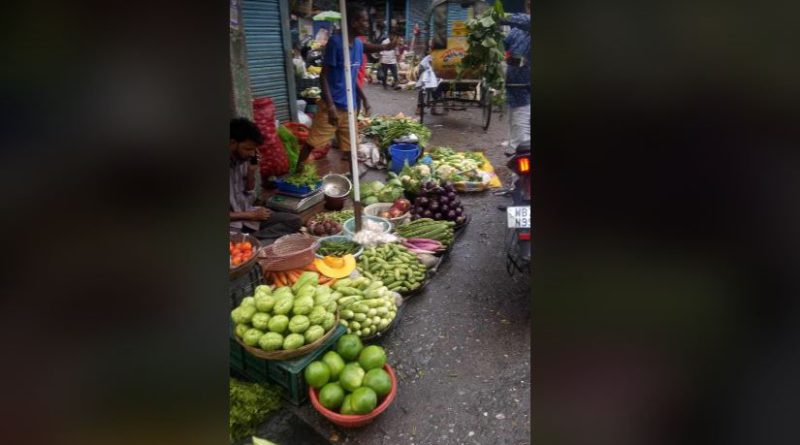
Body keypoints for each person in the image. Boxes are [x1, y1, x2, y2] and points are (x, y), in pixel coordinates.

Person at [299, 4, 396, 163]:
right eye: (364, 21)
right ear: (353, 22)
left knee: (351, 149)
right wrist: (330, 106)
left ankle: (352, 181)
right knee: (312, 144)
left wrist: (364, 99)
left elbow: (350, 78)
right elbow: (323, 76)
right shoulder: (335, 43)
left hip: (350, 107)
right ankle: (297, 175)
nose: (367, 24)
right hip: (332, 106)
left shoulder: (357, 44)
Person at [229, 118, 302, 243]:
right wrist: (252, 215)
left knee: (294, 221)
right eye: (248, 149)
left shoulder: (242, 160)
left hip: (248, 216)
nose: (252, 154)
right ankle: (252, 245)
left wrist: (251, 171)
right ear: (232, 143)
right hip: (232, 225)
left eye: (254, 150)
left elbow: (248, 188)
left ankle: (254, 243)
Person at [501, 0, 531, 155]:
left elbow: (525, 21)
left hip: (527, 90)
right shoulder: (517, 32)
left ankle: (522, 177)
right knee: (515, 126)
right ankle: (514, 153)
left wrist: (496, 16)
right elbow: (503, 45)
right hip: (514, 89)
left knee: (523, 134)